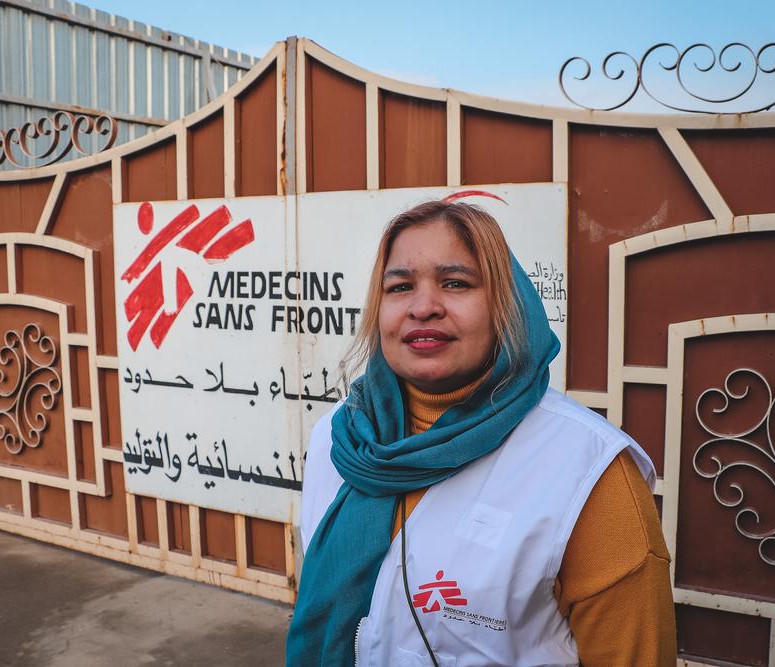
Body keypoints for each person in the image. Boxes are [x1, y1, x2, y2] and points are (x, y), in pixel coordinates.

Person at [286, 200, 675, 666]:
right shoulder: (338, 438)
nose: (423, 307)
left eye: (455, 283)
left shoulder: (588, 472)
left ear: (506, 306)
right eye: (400, 286)